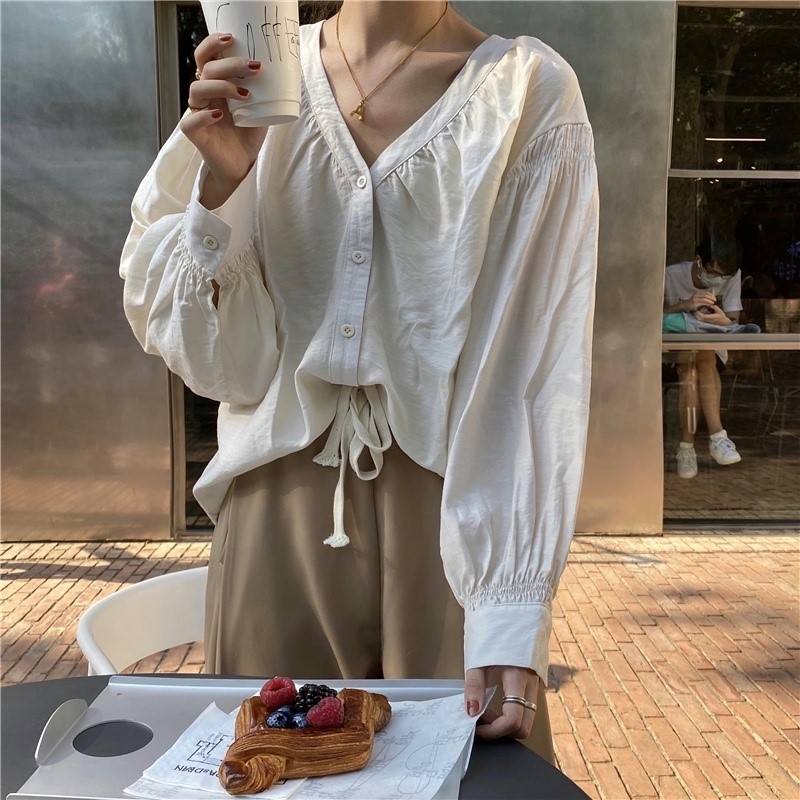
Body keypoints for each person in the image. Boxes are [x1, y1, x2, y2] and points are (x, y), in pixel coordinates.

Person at [120, 0, 598, 762]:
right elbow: (223, 367)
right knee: (272, 766)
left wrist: (511, 606)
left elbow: (532, 362)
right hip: (275, 505)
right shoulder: (254, 76)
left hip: (456, 516)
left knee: (465, 773)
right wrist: (223, 186)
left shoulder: (526, 88)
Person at [663, 242, 747, 479]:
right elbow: (648, 315)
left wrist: (723, 320)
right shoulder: (671, 276)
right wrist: (686, 305)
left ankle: (686, 448)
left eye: (723, 276)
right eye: (712, 273)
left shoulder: (733, 276)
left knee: (696, 365)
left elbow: (733, 320)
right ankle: (717, 437)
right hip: (672, 352)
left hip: (709, 350)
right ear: (698, 261)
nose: (718, 280)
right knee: (695, 361)